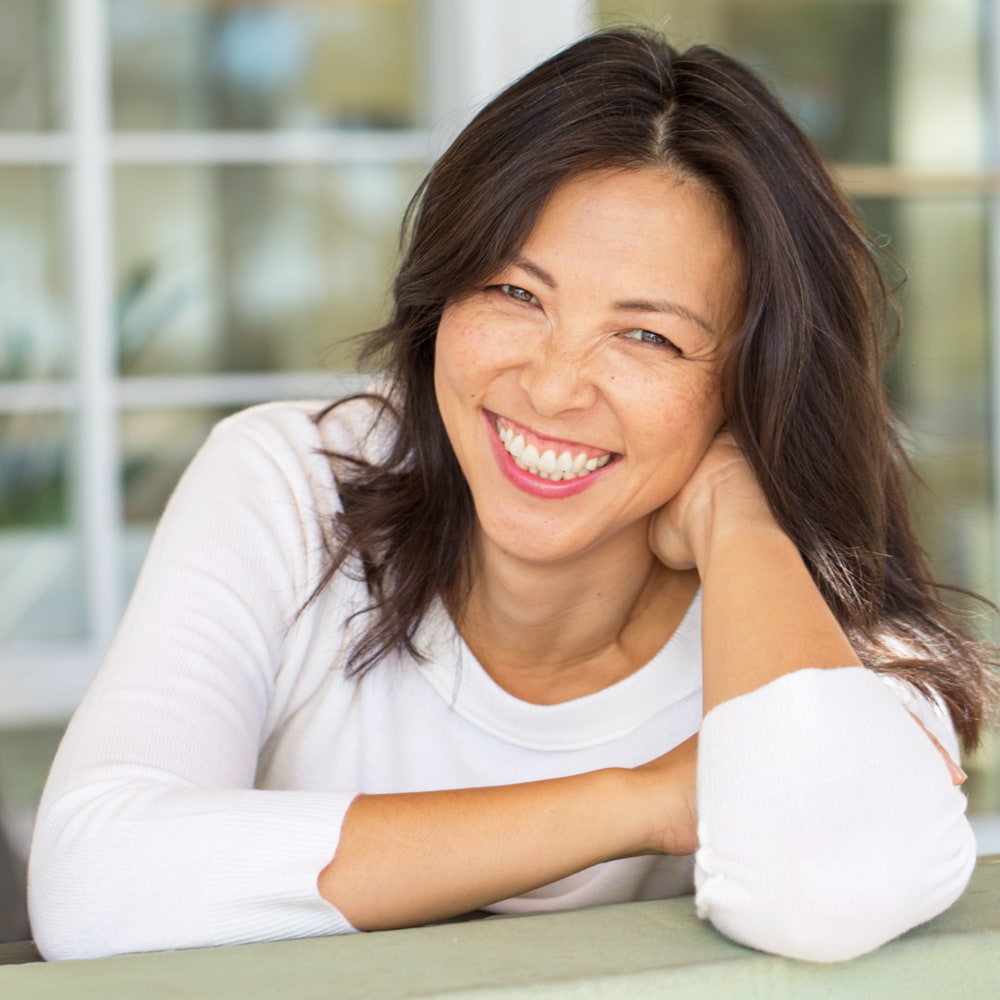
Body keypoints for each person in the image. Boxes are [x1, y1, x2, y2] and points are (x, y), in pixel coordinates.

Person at [28, 27, 996, 963]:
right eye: (514, 294)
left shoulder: (823, 618)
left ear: (753, 383)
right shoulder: (294, 477)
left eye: (647, 337)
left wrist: (739, 514)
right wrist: (645, 799)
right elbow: (94, 885)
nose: (551, 384)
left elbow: (821, 894)